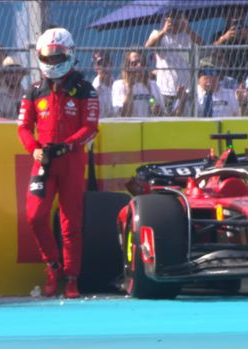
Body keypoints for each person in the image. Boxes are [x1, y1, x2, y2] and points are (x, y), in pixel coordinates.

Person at [17, 27, 99, 299]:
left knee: (70, 223)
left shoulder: (86, 89)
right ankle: (53, 267)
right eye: (47, 57)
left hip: (72, 162)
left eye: (57, 57)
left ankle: (72, 279)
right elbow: (23, 128)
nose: (52, 62)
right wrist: (34, 149)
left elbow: (90, 127)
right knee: (35, 215)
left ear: (70, 55)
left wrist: (68, 144)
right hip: (45, 161)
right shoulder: (33, 90)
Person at [145, 9, 202, 113]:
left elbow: (202, 45)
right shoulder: (158, 34)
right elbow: (147, 47)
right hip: (165, 88)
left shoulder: (187, 35)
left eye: (178, 19)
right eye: (172, 20)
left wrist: (187, 28)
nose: (175, 23)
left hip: (186, 89)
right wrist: (164, 31)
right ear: (165, 21)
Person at [177, 57, 247, 117]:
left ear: (219, 76)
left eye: (213, 72)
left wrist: (242, 103)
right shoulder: (189, 94)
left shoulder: (230, 95)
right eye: (205, 72)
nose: (209, 77)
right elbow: (175, 118)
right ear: (198, 76)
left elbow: (244, 120)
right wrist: (182, 102)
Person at [212, 6, 248, 83]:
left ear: (244, 15)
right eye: (232, 14)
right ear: (225, 17)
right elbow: (210, 52)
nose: (235, 17)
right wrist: (223, 39)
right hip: (229, 72)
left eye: (239, 14)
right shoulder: (219, 35)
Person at [112, 50, 165, 117]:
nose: (139, 66)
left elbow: (159, 113)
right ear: (127, 66)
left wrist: (151, 97)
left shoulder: (152, 85)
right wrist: (130, 88)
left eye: (142, 63)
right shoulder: (119, 85)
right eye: (134, 63)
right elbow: (124, 114)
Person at [91, 50, 115, 118]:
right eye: (100, 64)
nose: (103, 67)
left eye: (105, 63)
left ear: (111, 64)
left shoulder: (117, 85)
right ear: (95, 67)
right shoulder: (94, 90)